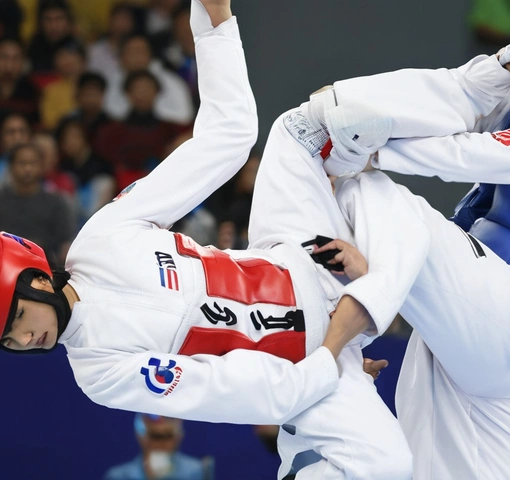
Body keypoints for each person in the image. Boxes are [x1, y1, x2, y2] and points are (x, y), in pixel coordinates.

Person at [0, 1, 422, 479]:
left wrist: (215, 20)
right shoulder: (98, 373)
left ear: (35, 280)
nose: (23, 338)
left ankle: (497, 76)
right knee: (387, 468)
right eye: (9, 340)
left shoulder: (101, 240)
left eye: (16, 318)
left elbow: (226, 137)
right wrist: (332, 352)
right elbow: (227, 389)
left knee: (305, 126)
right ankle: (315, 433)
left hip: (300, 256)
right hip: (310, 366)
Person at [283, 0, 510, 477]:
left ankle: (327, 330)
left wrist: (371, 149)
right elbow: (460, 95)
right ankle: (354, 316)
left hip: (506, 312)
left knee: (375, 193)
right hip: (491, 342)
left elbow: (463, 155)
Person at [104, 414, 212, 480]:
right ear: (141, 437)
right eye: (156, 436)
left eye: (168, 436)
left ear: (178, 437)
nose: (162, 443)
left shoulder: (197, 472)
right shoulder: (119, 476)